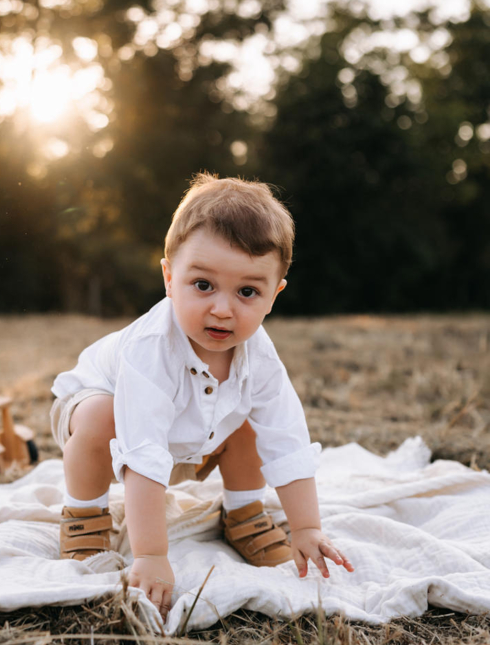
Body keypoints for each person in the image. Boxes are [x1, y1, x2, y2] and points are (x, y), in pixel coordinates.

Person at [50, 172, 354, 619]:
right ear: (170, 277)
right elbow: (143, 451)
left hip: (195, 436)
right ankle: (84, 514)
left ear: (274, 295)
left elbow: (286, 439)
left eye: (248, 291)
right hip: (106, 423)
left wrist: (307, 527)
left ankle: (244, 513)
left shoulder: (261, 359)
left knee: (252, 418)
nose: (222, 309)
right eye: (203, 285)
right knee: (101, 415)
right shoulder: (150, 349)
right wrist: (152, 554)